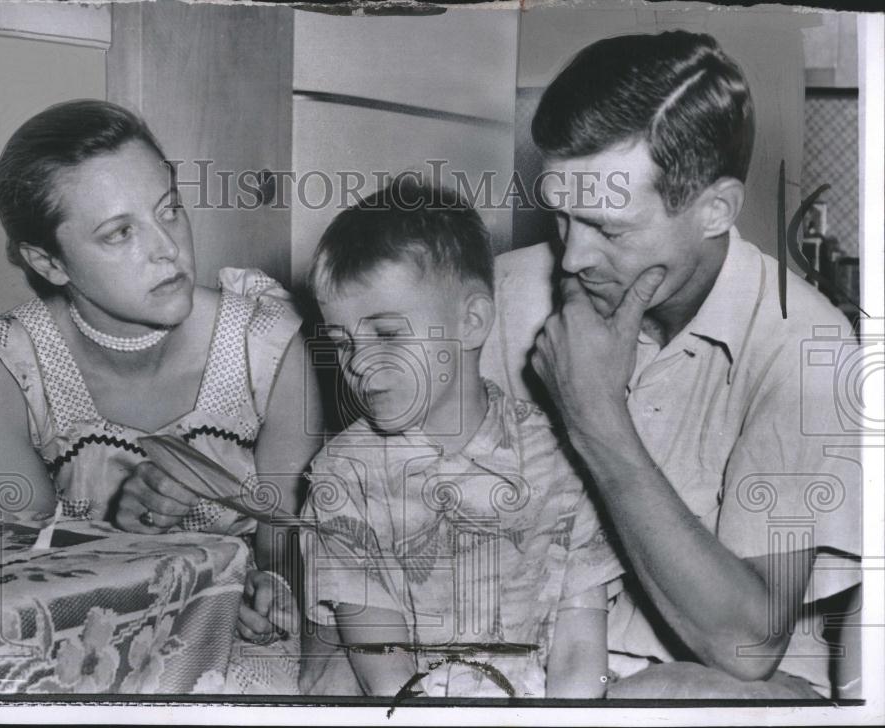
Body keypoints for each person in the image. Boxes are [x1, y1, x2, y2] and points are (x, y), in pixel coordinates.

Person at [479, 31, 862, 698]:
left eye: (611, 228)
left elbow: (747, 648)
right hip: (534, 663)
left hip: (713, 689)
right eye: (562, 217)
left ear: (715, 209)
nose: (572, 259)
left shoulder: (809, 349)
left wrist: (596, 416)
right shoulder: (501, 296)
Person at [0, 99, 324, 691]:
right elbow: (26, 597)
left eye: (169, 210)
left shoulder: (269, 346)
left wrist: (260, 584)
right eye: (120, 233)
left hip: (251, 651)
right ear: (49, 262)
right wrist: (141, 545)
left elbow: (296, 556)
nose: (167, 247)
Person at [299, 178, 623, 698]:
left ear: (471, 322)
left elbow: (582, 649)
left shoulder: (562, 457)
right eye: (341, 342)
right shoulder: (343, 475)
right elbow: (382, 665)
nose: (358, 364)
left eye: (386, 334)